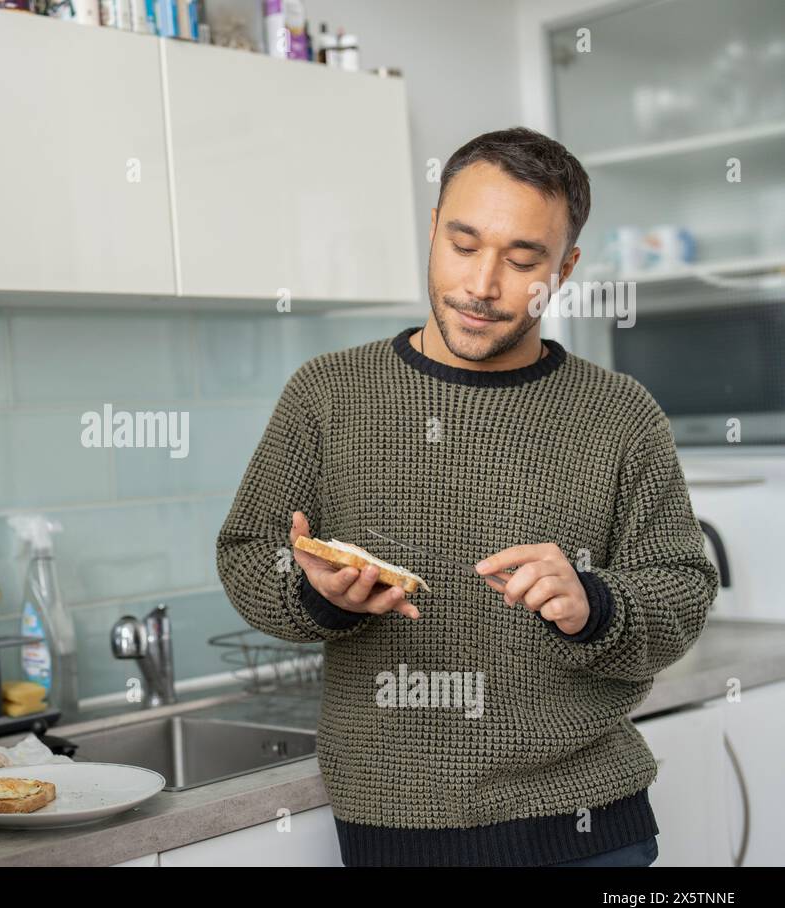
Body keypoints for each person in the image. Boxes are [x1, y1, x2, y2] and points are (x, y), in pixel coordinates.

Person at [217, 128, 719, 867]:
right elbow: (247, 557)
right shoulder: (327, 394)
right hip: (395, 831)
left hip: (589, 829)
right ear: (432, 231)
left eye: (522, 261)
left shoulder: (621, 413)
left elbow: (682, 587)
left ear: (565, 268)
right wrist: (320, 595)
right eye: (463, 245)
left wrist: (596, 604)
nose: (483, 285)